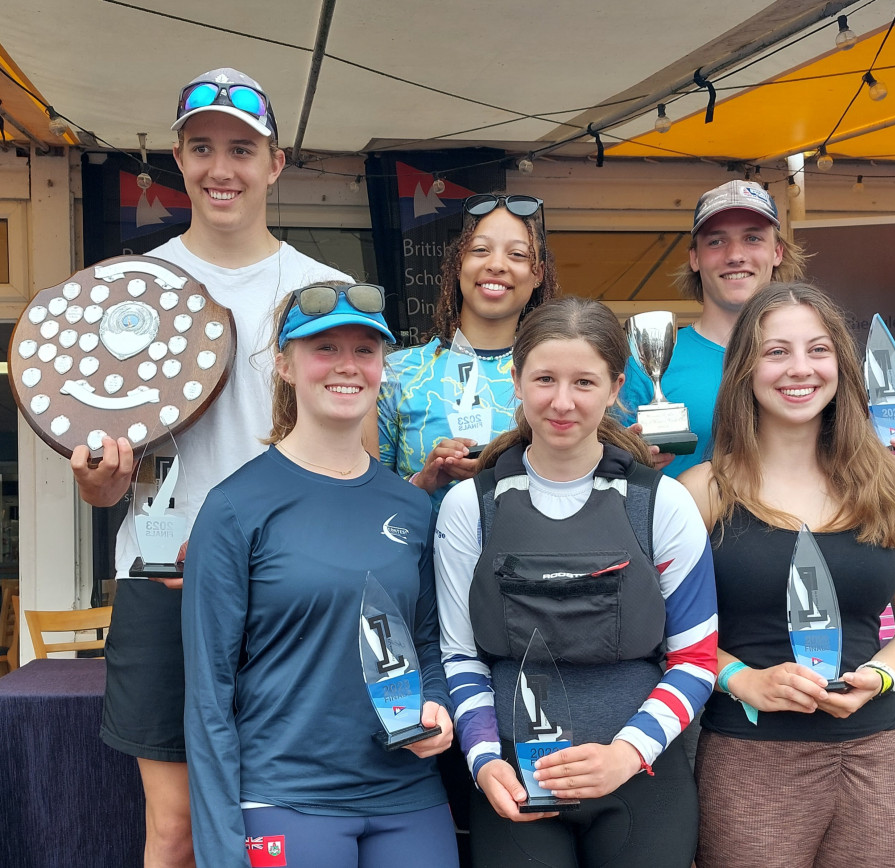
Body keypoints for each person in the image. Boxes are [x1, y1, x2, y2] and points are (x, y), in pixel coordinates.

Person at [69, 68, 353, 867]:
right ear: (177, 159)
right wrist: (99, 485)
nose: (220, 168)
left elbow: (347, 455)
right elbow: (103, 454)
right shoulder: (134, 288)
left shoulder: (319, 295)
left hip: (284, 587)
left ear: (275, 162)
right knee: (177, 829)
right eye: (202, 148)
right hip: (162, 584)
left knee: (281, 818)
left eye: (240, 148)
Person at [435, 296, 718, 867]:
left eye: (584, 382)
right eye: (544, 379)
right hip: (514, 784)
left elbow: (696, 660)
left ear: (616, 387)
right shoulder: (471, 506)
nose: (562, 402)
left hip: (641, 779)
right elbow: (460, 656)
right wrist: (485, 761)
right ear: (515, 381)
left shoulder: (661, 503)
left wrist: (626, 753)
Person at [182, 283, 457, 868]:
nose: (347, 366)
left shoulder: (410, 506)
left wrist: (436, 706)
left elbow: (428, 642)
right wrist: (220, 850)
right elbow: (208, 695)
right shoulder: (235, 507)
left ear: (383, 366)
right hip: (286, 796)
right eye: (324, 348)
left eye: (365, 350)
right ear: (285, 365)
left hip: (406, 793)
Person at [680, 282, 895, 868]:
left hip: (874, 758)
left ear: (842, 366)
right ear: (745, 367)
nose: (801, 368)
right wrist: (744, 679)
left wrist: (880, 675)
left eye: (818, 350)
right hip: (750, 760)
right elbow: (671, 637)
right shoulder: (701, 493)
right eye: (776, 352)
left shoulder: (890, 487)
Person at [377, 193, 559, 509]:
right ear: (459, 263)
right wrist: (423, 482)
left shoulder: (559, 376)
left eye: (517, 254)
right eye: (480, 250)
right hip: (425, 557)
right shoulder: (396, 372)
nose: (496, 265)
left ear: (538, 274)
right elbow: (366, 502)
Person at [617, 179, 807, 476]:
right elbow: (610, 471)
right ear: (695, 257)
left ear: (777, 252)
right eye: (716, 241)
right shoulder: (644, 364)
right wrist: (625, 460)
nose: (734, 255)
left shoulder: (811, 362)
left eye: (753, 238)